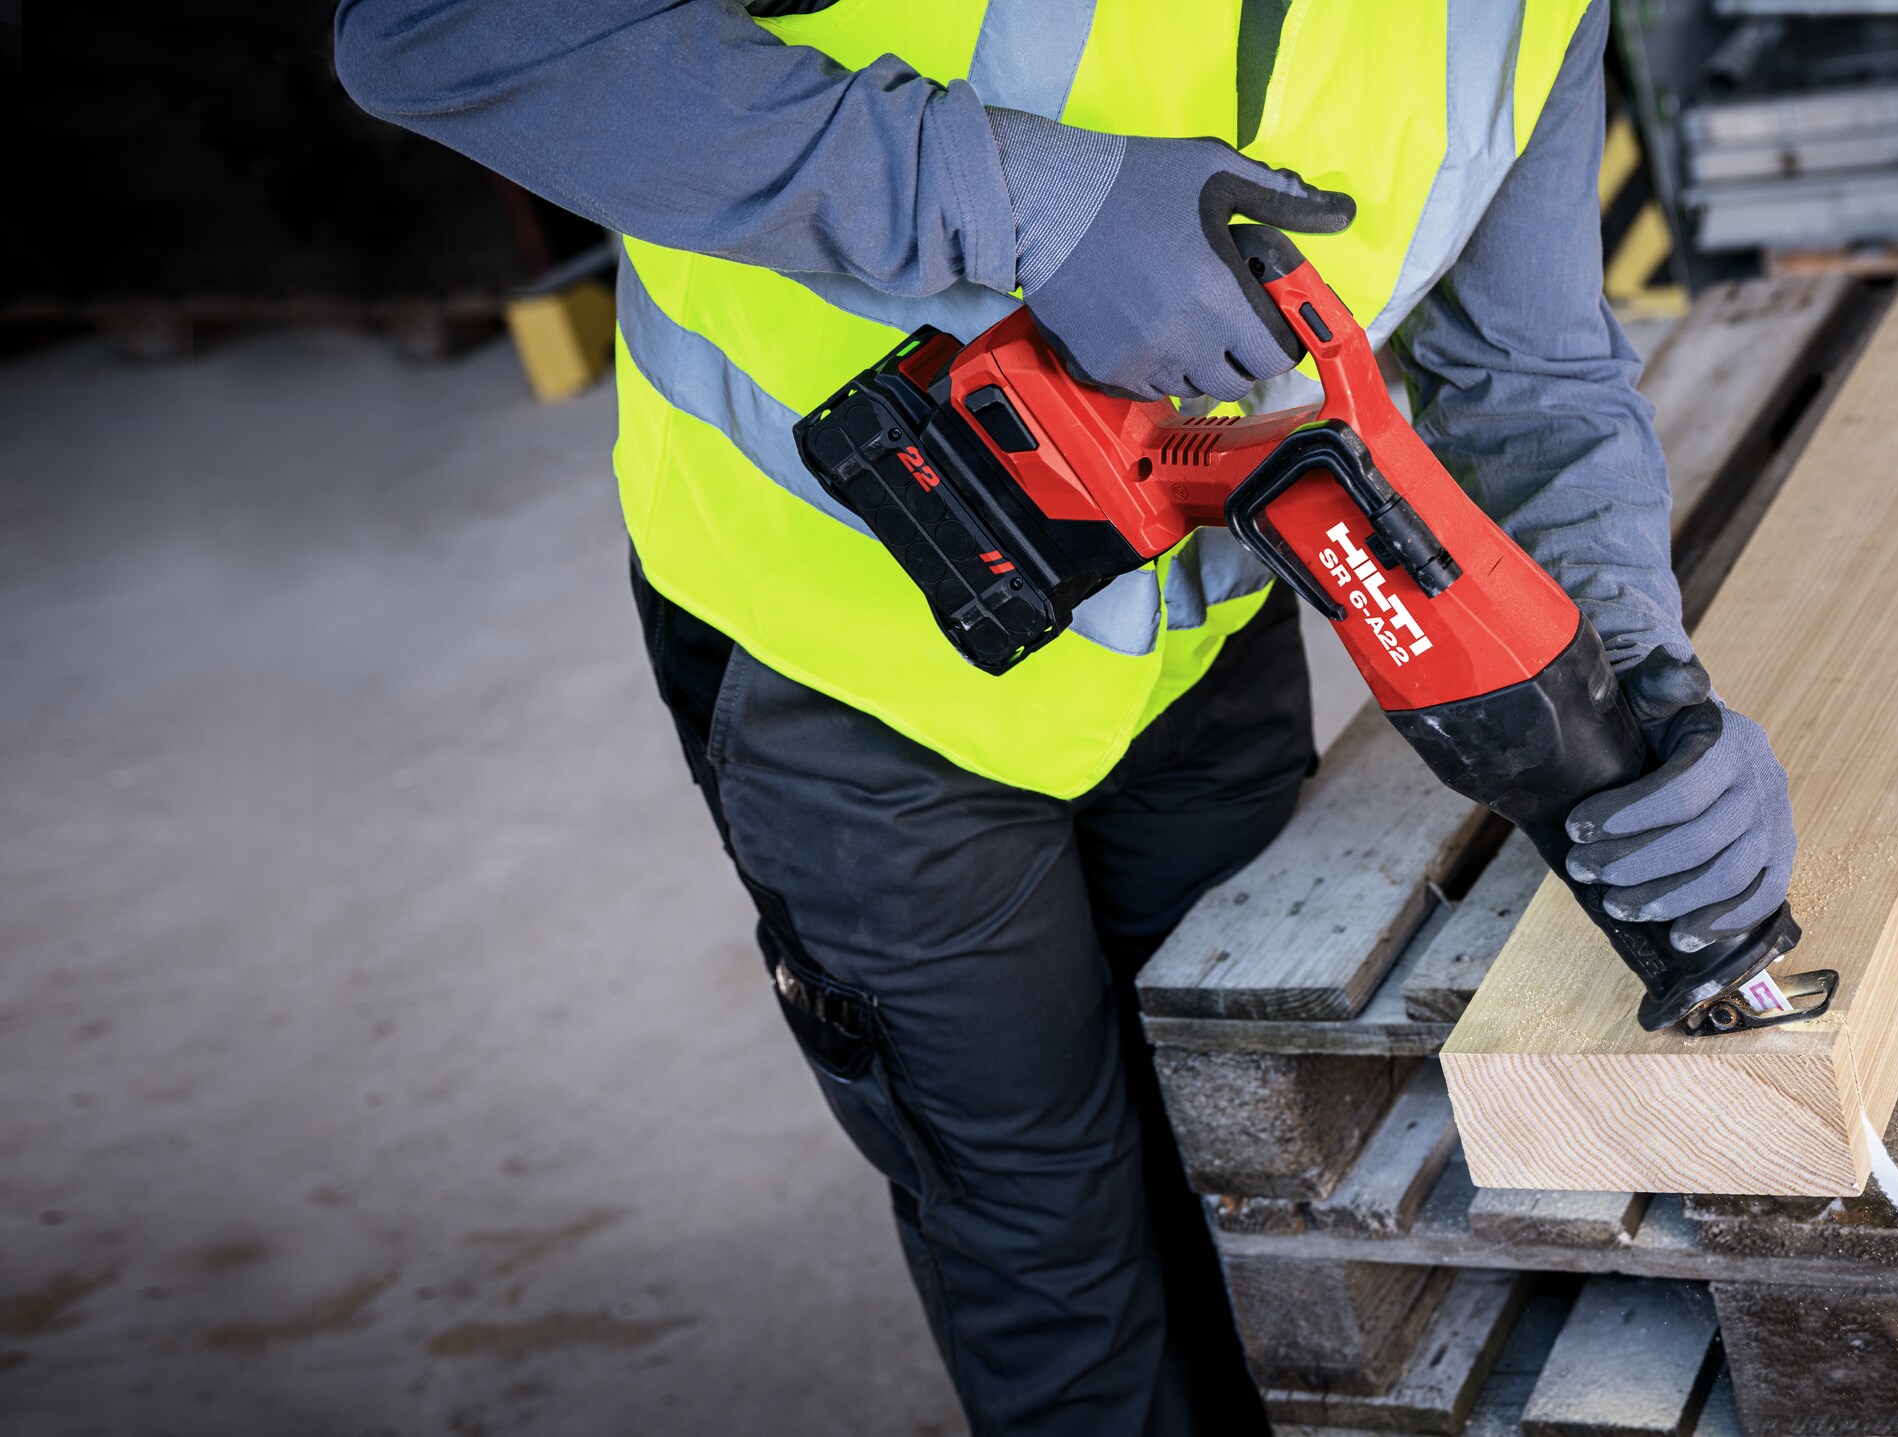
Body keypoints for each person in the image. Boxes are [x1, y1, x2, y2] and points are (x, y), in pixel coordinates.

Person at [333, 3, 1796, 1433]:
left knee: (1248, 1193)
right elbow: (443, 30)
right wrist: (1028, 202)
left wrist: (1645, 697)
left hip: (1194, 644)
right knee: (1049, 1261)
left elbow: (1527, 383)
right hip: (849, 671)